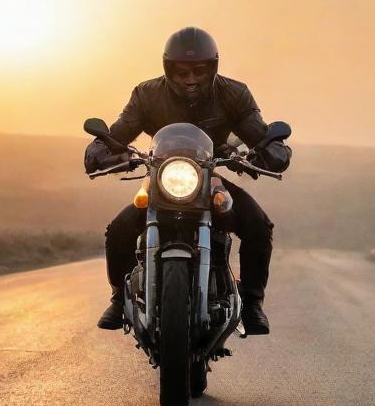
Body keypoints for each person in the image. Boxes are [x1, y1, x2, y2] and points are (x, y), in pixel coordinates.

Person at [84, 26, 292, 335]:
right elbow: (117, 133)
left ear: (213, 68)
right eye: (181, 71)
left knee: (258, 225)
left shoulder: (234, 93)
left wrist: (272, 150)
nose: (190, 78)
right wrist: (101, 149)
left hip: (210, 177)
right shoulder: (147, 94)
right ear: (168, 69)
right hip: (160, 176)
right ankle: (118, 299)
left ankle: (251, 304)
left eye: (199, 70)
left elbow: (259, 133)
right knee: (118, 231)